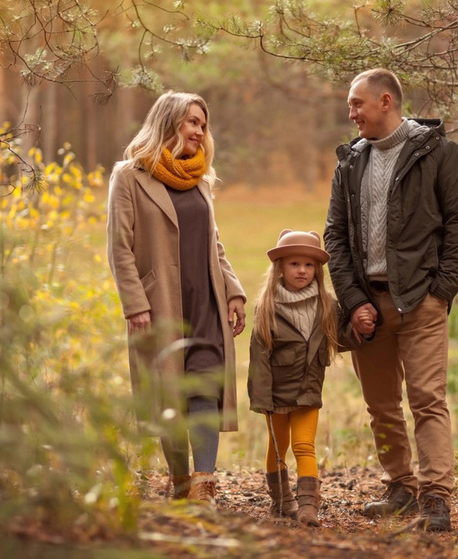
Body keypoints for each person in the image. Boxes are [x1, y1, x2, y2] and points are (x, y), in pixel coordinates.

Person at [324, 68, 458, 532]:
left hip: (421, 302)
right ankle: (401, 488)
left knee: (428, 400)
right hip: (367, 306)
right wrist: (354, 302)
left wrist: (440, 293)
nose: (350, 113)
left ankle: (436, 498)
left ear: (386, 101)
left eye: (357, 104)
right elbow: (335, 236)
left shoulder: (441, 155)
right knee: (381, 405)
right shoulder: (350, 162)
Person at [107, 91, 246, 507]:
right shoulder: (129, 176)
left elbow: (213, 244)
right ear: (168, 123)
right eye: (191, 122)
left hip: (204, 299)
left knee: (203, 385)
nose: (199, 131)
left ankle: (204, 486)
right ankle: (181, 479)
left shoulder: (201, 180)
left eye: (203, 124)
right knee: (169, 392)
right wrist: (135, 304)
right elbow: (119, 247)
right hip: (159, 303)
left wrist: (233, 290)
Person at [247, 230, 364, 527]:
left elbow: (341, 339)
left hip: (308, 391)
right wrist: (261, 398)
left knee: (304, 445)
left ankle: (308, 505)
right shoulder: (268, 307)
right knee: (277, 446)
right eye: (295, 264)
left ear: (317, 270)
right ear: (280, 269)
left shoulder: (326, 305)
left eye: (309, 265)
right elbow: (259, 358)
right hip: (275, 394)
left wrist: (361, 328)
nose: (302, 270)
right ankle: (281, 499)